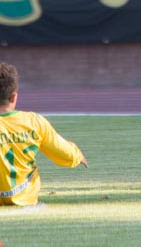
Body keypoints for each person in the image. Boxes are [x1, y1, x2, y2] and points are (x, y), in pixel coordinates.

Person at [0, 62, 88, 207]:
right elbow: (62, 152)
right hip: (25, 198)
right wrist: (77, 156)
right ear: (14, 97)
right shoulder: (34, 122)